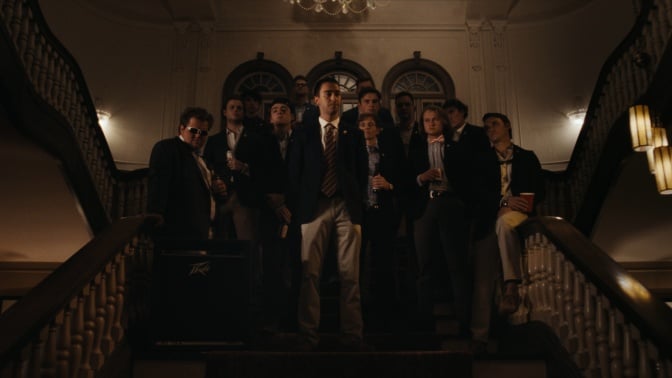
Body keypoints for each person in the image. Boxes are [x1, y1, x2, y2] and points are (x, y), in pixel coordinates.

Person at [287, 76, 369, 351]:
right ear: (316, 99)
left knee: (350, 276)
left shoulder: (353, 134)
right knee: (310, 273)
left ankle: (353, 337)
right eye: (328, 94)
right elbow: (293, 172)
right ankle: (308, 336)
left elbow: (360, 174)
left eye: (337, 94)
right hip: (314, 207)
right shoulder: (302, 132)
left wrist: (355, 204)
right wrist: (299, 208)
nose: (334, 99)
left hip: (346, 207)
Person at [470, 112, 545, 348]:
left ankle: (511, 285)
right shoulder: (482, 160)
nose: (490, 129)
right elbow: (477, 194)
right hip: (487, 220)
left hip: (518, 217)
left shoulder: (527, 157)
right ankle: (479, 336)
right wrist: (502, 203)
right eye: (486, 127)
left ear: (508, 126)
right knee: (483, 280)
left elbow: (539, 189)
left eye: (494, 124)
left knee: (505, 223)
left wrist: (517, 203)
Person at [407, 105, 471, 332]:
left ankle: (464, 319)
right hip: (425, 206)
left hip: (451, 203)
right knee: (424, 264)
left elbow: (468, 177)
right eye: (426, 120)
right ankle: (423, 321)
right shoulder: (416, 149)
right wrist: (420, 178)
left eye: (435, 119)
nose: (431, 123)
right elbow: (406, 181)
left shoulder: (456, 147)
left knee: (457, 263)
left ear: (443, 121)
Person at [357, 112, 406, 330]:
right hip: (361, 213)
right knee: (358, 261)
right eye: (363, 125)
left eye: (370, 125)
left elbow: (403, 180)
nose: (366, 128)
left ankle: (386, 310)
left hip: (383, 212)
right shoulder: (354, 154)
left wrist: (390, 185)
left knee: (384, 260)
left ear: (378, 129)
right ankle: (361, 307)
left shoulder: (389, 154)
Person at [147, 107, 222, 240]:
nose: (198, 135)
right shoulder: (166, 148)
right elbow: (158, 183)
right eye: (194, 130)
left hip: (202, 231)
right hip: (178, 232)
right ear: (181, 128)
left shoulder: (202, 159)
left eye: (203, 132)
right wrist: (156, 212)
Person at [258, 98, 295, 335]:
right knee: (270, 265)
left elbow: (307, 173)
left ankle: (293, 318)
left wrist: (289, 203)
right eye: (274, 110)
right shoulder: (262, 142)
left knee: (295, 265)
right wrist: (273, 202)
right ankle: (271, 316)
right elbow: (256, 172)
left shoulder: (301, 140)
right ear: (269, 118)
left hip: (296, 212)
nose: (279, 113)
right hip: (269, 211)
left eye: (284, 110)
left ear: (292, 116)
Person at [394, 91, 420, 157]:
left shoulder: (422, 130)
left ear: (414, 108)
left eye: (407, 104)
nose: (404, 108)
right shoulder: (392, 132)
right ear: (395, 109)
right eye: (400, 105)